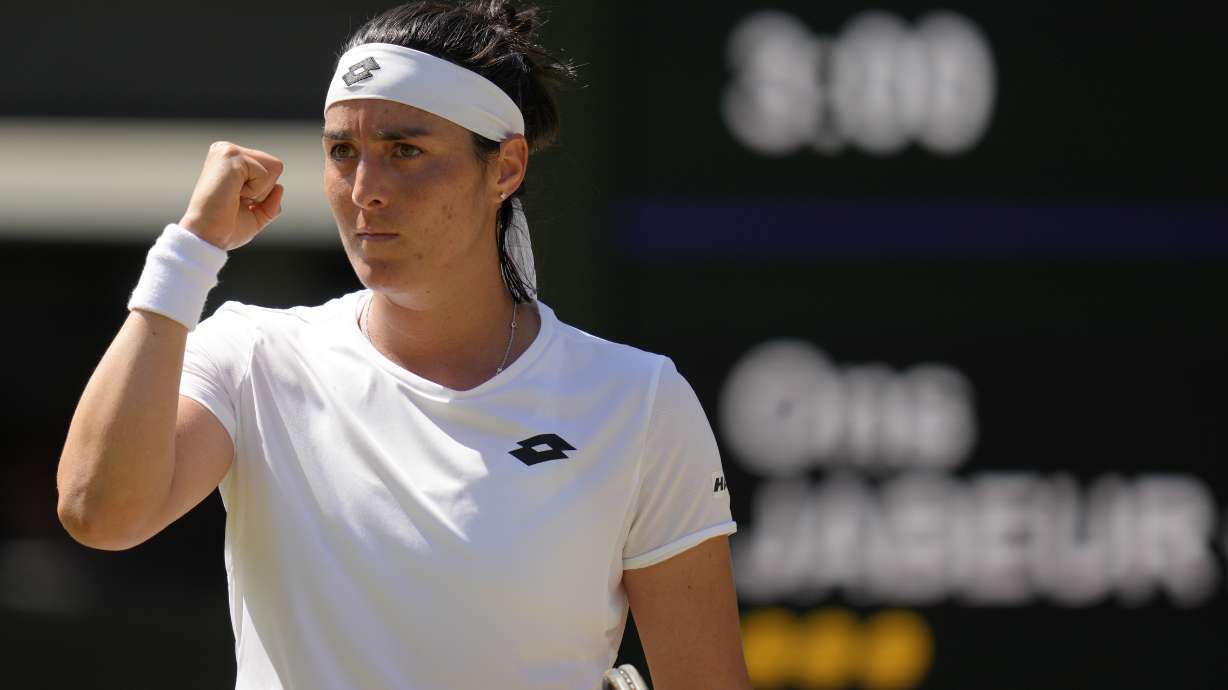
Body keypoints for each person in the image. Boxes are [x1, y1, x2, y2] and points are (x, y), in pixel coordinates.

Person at [56, 2, 751, 689]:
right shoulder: (251, 355)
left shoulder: (640, 401)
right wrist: (189, 251)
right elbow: (98, 511)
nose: (366, 190)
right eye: (342, 152)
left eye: (405, 152)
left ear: (505, 168)